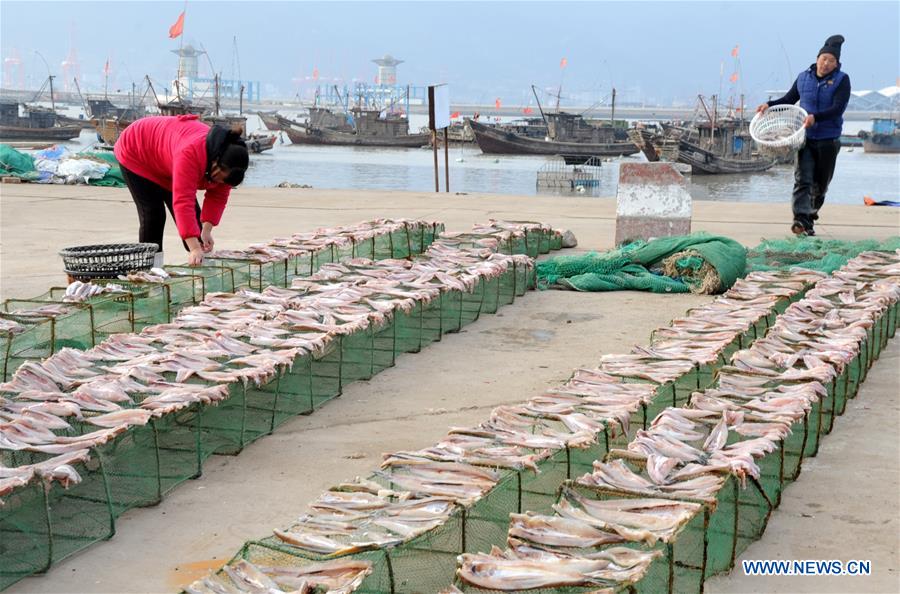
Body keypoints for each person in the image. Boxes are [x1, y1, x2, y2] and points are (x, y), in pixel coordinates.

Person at [114, 114, 249, 266]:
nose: (219, 183)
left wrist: (206, 231)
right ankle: (151, 269)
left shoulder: (230, 165)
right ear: (216, 162)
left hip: (167, 160)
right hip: (137, 150)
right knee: (154, 214)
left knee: (197, 232)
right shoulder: (191, 153)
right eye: (219, 178)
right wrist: (194, 249)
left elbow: (218, 197)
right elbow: (183, 202)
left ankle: (200, 263)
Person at [756, 34, 850, 236]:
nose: (826, 63)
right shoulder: (803, 77)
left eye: (831, 61)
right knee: (802, 180)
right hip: (805, 138)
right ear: (817, 58)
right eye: (824, 58)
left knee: (820, 185)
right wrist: (769, 105)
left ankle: (810, 218)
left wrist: (817, 117)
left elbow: (838, 108)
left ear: (836, 64)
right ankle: (800, 220)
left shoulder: (842, 80)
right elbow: (789, 99)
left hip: (829, 140)